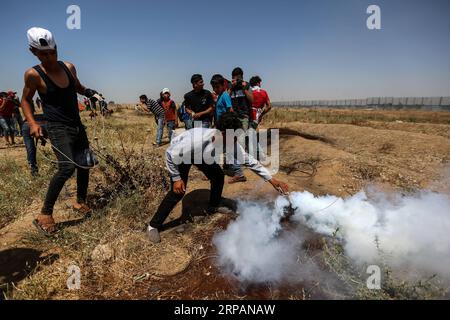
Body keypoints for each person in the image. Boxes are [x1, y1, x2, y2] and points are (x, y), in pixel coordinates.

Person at [145, 112, 289, 243]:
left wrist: (272, 180)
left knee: (218, 175)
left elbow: (249, 161)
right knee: (178, 192)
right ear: (222, 133)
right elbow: (170, 154)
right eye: (233, 136)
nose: (235, 140)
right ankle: (153, 226)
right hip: (182, 157)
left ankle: (213, 206)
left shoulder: (230, 142)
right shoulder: (196, 140)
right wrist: (176, 178)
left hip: (202, 156)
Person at [21, 27, 100, 235]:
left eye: (52, 52)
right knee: (66, 168)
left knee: (85, 163)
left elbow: (78, 87)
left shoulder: (68, 67)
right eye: (43, 54)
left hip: (76, 124)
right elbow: (26, 101)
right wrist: (33, 123)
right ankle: (44, 214)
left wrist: (91, 93)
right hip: (57, 127)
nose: (49, 57)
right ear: (33, 52)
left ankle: (80, 202)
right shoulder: (33, 75)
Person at [227, 67, 254, 184]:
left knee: (241, 142)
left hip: (243, 117)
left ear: (242, 77)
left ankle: (239, 171)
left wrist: (243, 88)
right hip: (233, 117)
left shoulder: (246, 85)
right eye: (234, 77)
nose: (236, 79)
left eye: (237, 77)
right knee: (231, 141)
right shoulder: (230, 86)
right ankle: (235, 167)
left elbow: (251, 100)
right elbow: (226, 98)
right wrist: (231, 87)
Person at [21, 96, 48, 176]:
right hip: (39, 124)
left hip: (27, 124)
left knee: (30, 148)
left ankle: (33, 168)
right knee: (57, 145)